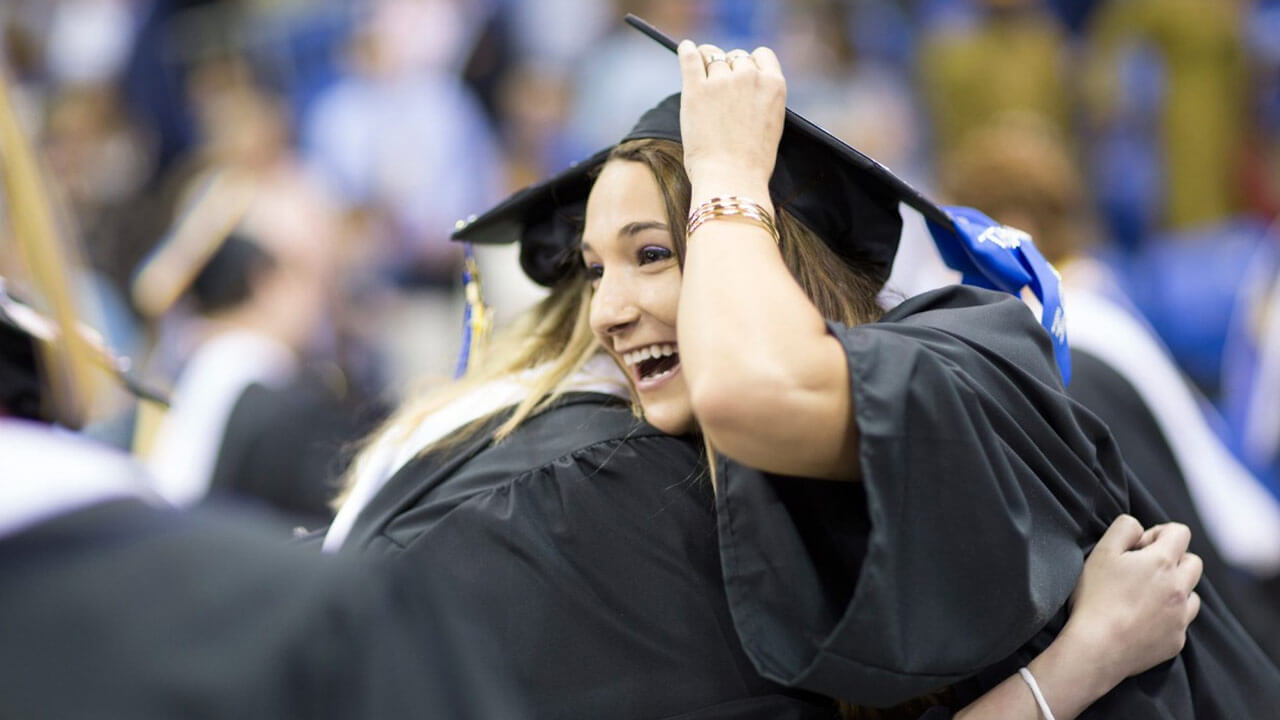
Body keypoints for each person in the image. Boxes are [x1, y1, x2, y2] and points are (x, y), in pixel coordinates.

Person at [651, 39, 1276, 717]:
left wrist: (727, 177)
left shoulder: (1026, 352)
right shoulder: (1069, 320)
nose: (609, 312)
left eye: (655, 255)